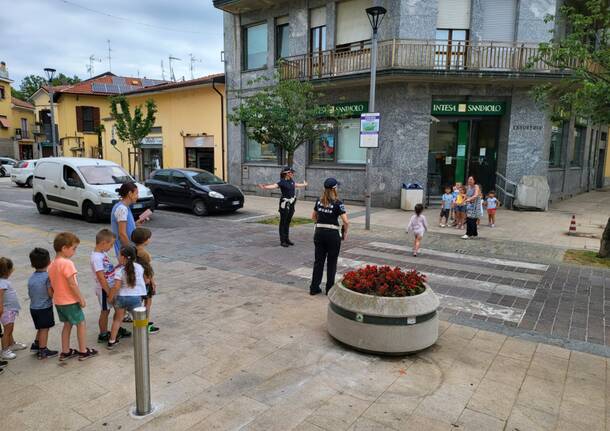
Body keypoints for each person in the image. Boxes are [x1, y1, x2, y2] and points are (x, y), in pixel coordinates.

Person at [48, 232, 98, 361]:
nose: (74, 252)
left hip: (59, 301)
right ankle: (83, 351)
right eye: (74, 248)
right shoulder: (67, 263)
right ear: (64, 248)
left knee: (67, 325)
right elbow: (72, 284)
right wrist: (80, 298)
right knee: (81, 323)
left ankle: (65, 351)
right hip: (70, 300)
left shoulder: (52, 264)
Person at [309, 178, 349, 296]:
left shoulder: (318, 201)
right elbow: (346, 221)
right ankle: (329, 289)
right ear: (334, 189)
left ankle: (314, 288)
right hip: (332, 235)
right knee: (331, 262)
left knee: (318, 262)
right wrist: (345, 232)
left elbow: (313, 217)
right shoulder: (338, 203)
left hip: (319, 233)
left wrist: (321, 223)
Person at [90, 229, 131, 343]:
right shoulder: (96, 258)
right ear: (103, 243)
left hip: (111, 287)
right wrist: (108, 292)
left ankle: (115, 328)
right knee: (105, 311)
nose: (112, 247)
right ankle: (103, 334)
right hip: (104, 290)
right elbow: (101, 277)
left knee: (117, 309)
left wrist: (118, 266)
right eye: (111, 244)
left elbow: (108, 270)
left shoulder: (102, 253)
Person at [107, 246, 148, 349]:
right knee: (138, 321)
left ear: (124, 257)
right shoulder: (139, 267)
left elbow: (116, 286)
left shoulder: (119, 271)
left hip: (122, 298)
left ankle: (111, 341)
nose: (117, 256)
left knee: (118, 319)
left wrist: (110, 297)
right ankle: (140, 340)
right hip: (135, 298)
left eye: (119, 255)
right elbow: (145, 280)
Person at [258, 167, 308, 247]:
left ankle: (287, 239)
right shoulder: (282, 182)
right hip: (284, 204)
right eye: (291, 172)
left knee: (288, 222)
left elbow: (296, 185)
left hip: (291, 204)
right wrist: (264, 187)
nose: (293, 174)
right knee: (283, 222)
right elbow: (274, 186)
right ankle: (283, 241)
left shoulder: (291, 181)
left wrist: (304, 184)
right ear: (287, 173)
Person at [28, 248, 58, 359]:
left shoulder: (32, 277)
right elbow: (50, 294)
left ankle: (36, 344)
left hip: (33, 308)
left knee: (40, 327)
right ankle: (43, 350)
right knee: (45, 328)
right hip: (44, 308)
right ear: (49, 262)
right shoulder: (47, 277)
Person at [131, 227, 159, 334]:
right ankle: (145, 324)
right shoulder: (145, 254)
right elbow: (148, 269)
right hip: (145, 281)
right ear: (145, 240)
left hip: (136, 281)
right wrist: (152, 281)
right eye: (149, 238)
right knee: (148, 302)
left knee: (138, 303)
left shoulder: (132, 250)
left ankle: (139, 322)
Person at [0, 257, 26, 360]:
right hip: (6, 311)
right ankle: (5, 351)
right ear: (8, 271)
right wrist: (1, 308)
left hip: (9, 310)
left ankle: (12, 344)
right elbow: (0, 297)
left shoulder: (3, 281)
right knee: (7, 331)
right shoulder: (2, 283)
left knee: (10, 329)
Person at [111, 182, 144, 258]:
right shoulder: (122, 208)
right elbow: (122, 233)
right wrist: (132, 251)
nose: (137, 196)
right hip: (125, 251)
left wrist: (135, 224)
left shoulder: (124, 207)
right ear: (130, 193)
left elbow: (125, 227)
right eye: (136, 193)